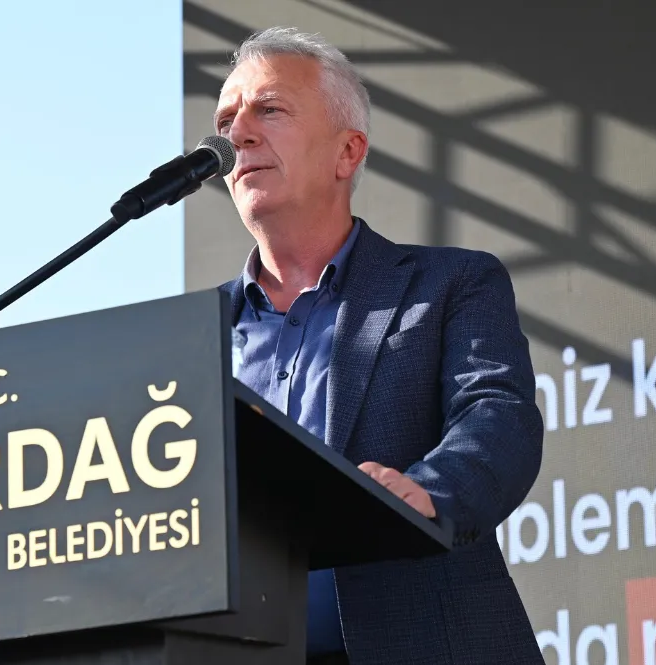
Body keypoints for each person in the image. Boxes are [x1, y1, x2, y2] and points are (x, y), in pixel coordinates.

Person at [214, 27, 546, 665]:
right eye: (227, 120)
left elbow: (496, 413)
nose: (239, 135)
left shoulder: (451, 284)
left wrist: (428, 493)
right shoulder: (198, 333)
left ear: (348, 152)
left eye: (269, 110)